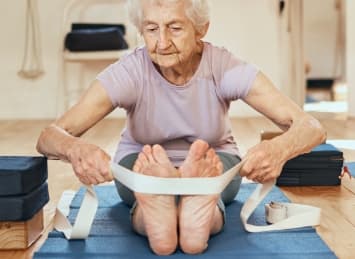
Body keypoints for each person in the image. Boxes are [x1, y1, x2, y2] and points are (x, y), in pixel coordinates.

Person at [36, 0, 326, 255]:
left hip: (212, 164)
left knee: (205, 179)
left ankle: (179, 207)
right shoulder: (130, 71)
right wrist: (76, 149)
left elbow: (310, 126)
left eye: (174, 28)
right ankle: (181, 210)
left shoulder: (223, 67)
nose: (161, 42)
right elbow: (49, 136)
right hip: (143, 164)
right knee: (147, 182)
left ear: (201, 29)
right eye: (151, 29)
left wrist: (278, 148)